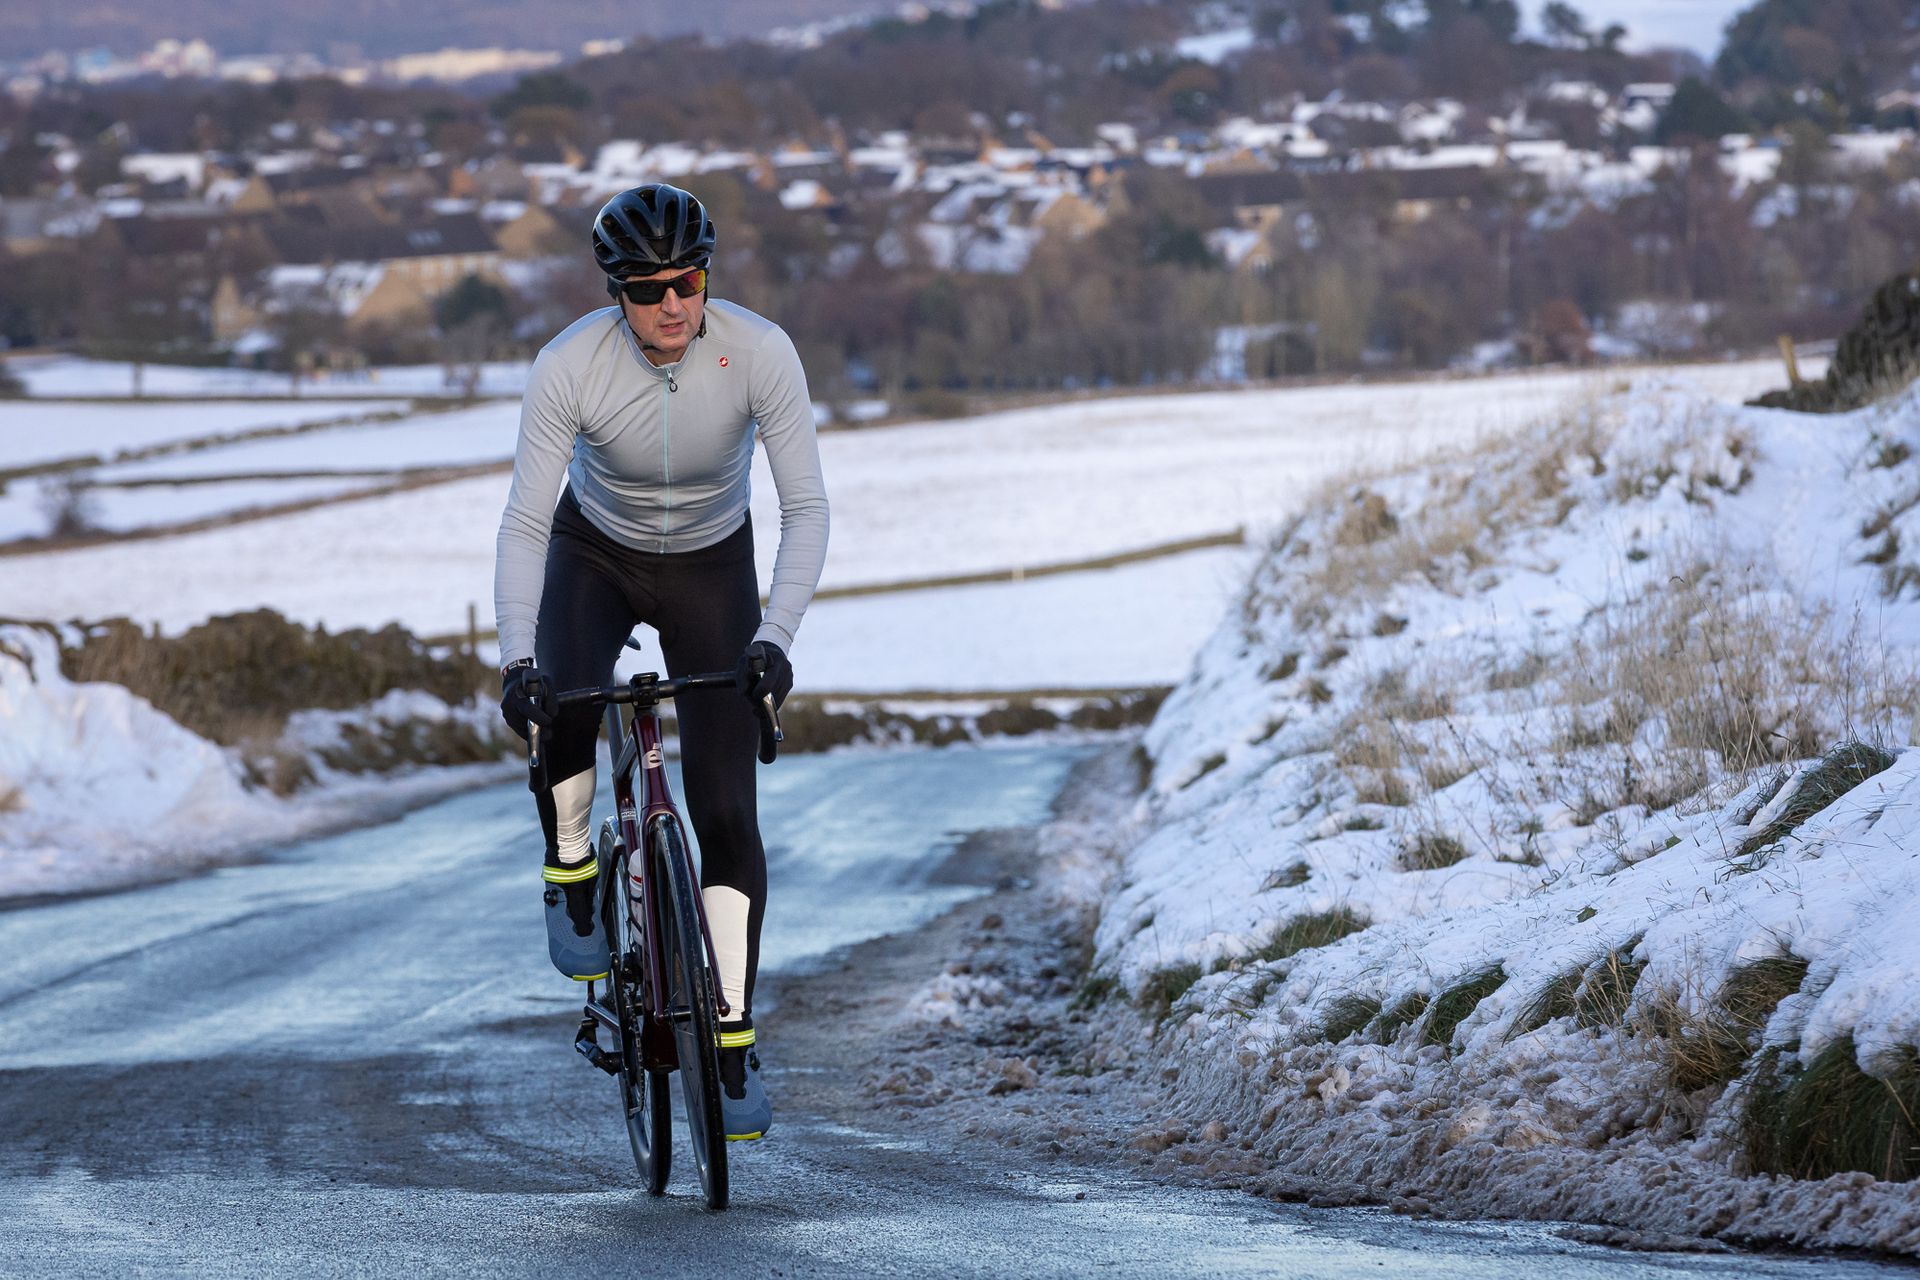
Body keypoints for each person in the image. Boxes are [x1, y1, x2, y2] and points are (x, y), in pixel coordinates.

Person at [493, 182, 829, 1142]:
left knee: (725, 811)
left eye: (688, 282)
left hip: (713, 567)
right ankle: (571, 866)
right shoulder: (570, 365)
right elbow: (524, 521)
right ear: (616, 293)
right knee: (561, 702)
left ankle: (731, 1037)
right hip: (594, 553)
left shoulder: (760, 352)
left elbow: (806, 508)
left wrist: (775, 641)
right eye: (647, 290)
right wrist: (517, 658)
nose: (672, 304)